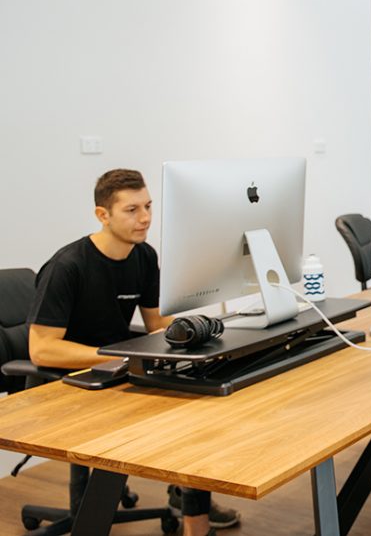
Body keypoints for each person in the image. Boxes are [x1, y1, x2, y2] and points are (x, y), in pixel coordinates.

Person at [27, 169, 241, 536]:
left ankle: (194, 516)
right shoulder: (68, 265)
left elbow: (156, 323)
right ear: (103, 215)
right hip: (67, 382)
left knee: (200, 401)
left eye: (148, 206)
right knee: (181, 413)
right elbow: (42, 350)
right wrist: (120, 357)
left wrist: (204, 326)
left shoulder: (143, 256)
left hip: (118, 369)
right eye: (131, 210)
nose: (145, 218)